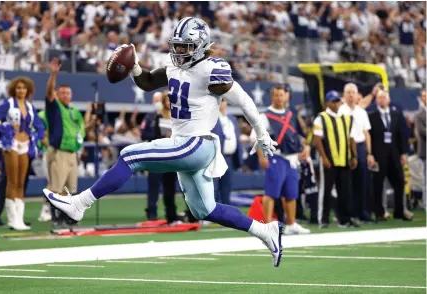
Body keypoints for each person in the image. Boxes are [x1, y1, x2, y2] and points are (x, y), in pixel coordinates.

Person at [44, 17, 283, 267]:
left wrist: (262, 133)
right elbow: (146, 81)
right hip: (188, 145)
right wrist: (134, 67)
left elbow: (243, 100)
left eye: (185, 47)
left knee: (129, 156)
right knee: (206, 210)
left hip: (196, 143)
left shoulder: (212, 69)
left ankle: (79, 204)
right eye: (177, 45)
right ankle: (265, 231)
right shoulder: (175, 67)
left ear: (201, 45)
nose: (179, 51)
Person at [0, 77, 45, 231]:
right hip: (10, 144)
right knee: (11, 181)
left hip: (25, 145)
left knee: (21, 182)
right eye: (18, 88)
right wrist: (5, 129)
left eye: (24, 88)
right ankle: (12, 220)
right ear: (13, 89)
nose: (21, 90)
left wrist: (33, 136)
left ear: (28, 90)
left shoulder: (30, 107)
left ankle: (19, 219)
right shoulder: (8, 104)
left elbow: (40, 127)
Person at [252, 84, 310, 235]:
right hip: (275, 157)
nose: (279, 98)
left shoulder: (291, 115)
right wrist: (262, 156)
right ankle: (267, 225)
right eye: (276, 95)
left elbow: (299, 136)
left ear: (286, 96)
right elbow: (258, 138)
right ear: (272, 97)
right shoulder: (265, 116)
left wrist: (306, 147)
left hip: (292, 158)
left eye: (281, 95)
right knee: (271, 192)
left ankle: (291, 223)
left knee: (291, 193)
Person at [45, 58, 85, 227]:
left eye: (68, 93)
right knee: (57, 187)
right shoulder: (55, 107)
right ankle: (56, 217)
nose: (66, 95)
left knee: (71, 188)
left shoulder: (74, 111)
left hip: (72, 152)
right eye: (62, 93)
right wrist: (53, 74)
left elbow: (80, 131)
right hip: (59, 151)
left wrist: (79, 147)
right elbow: (48, 93)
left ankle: (67, 216)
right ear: (57, 94)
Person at [313, 91, 359, 228]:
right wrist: (324, 158)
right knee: (326, 191)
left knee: (345, 191)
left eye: (337, 100)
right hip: (329, 160)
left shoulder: (347, 118)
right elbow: (317, 140)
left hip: (344, 159)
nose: (336, 103)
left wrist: (354, 155)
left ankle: (344, 219)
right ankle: (324, 219)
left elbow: (351, 138)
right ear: (327, 102)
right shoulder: (321, 118)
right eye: (333, 101)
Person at [368, 91, 412, 221]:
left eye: (384, 97)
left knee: (399, 182)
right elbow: (369, 136)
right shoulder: (371, 116)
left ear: (389, 99)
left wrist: (403, 152)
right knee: (378, 184)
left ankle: (400, 210)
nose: (382, 100)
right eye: (379, 98)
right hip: (378, 154)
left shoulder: (396, 114)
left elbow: (402, 134)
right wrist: (370, 154)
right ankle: (380, 212)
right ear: (376, 100)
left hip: (394, 154)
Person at [140, 91, 180, 224]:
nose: (168, 103)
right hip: (157, 155)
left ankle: (171, 215)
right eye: (166, 100)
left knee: (170, 188)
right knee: (154, 187)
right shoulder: (154, 116)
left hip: (172, 157)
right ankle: (152, 213)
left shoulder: (178, 116)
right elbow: (148, 135)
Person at [338, 83, 375, 222]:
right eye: (348, 92)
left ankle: (363, 212)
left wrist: (369, 153)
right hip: (345, 147)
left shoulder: (362, 112)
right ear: (344, 95)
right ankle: (349, 213)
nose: (351, 95)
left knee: (363, 181)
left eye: (353, 92)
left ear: (357, 95)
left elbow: (367, 134)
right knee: (347, 182)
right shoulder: (340, 111)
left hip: (360, 147)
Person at [211, 99, 243, 205]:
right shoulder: (210, 117)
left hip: (230, 158)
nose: (221, 103)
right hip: (215, 157)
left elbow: (236, 137)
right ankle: (211, 213)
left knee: (227, 187)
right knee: (213, 187)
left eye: (223, 100)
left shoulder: (232, 118)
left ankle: (226, 213)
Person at [413, 90, 426, 209]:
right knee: (426, 179)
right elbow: (422, 131)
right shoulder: (418, 114)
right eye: (423, 96)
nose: (425, 98)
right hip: (425, 151)